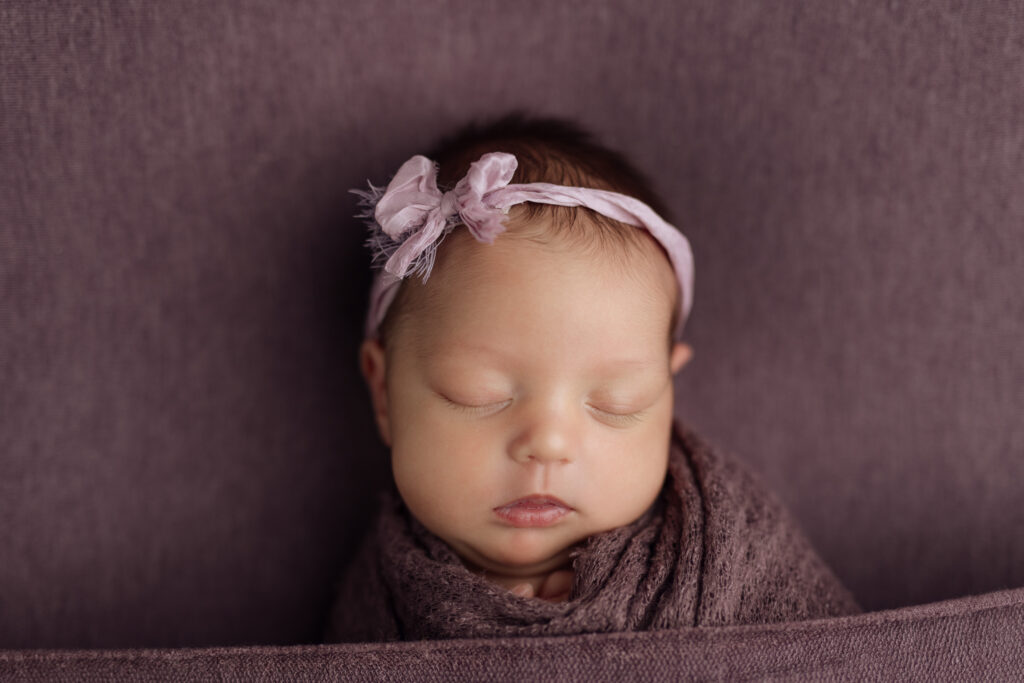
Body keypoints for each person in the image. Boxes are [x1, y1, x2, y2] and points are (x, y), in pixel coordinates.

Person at [324, 114, 860, 642]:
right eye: (477, 393)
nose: (549, 444)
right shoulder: (382, 594)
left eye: (615, 402)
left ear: (667, 393)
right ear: (384, 392)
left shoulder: (735, 540)